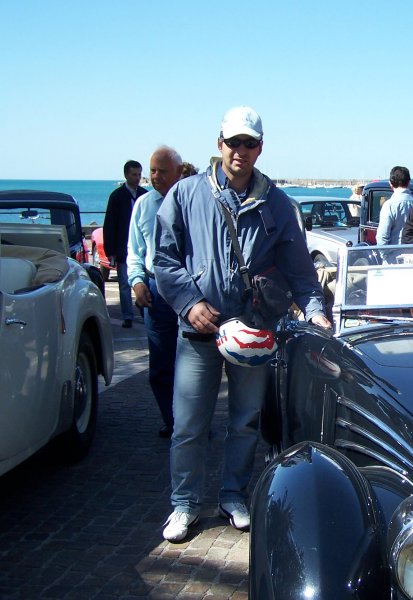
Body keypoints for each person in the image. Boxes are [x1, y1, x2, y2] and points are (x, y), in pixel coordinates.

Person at [154, 106, 332, 543]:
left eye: (249, 143)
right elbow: (164, 259)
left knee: (246, 420)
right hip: (199, 330)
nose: (240, 150)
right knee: (188, 423)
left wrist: (315, 311)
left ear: (260, 148)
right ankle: (184, 502)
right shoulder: (186, 194)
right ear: (219, 144)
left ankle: (233, 494)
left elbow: (298, 269)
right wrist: (189, 303)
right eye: (233, 142)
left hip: (254, 332)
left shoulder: (278, 203)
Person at [127, 146, 183, 439]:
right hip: (154, 291)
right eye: (152, 170)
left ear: (178, 172)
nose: (155, 176)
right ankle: (172, 421)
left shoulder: (191, 203)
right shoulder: (143, 205)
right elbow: (134, 250)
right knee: (161, 365)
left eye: (162, 171)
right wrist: (137, 282)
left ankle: (190, 423)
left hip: (187, 292)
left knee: (192, 364)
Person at [103, 160, 148, 327]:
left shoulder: (144, 195)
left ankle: (144, 313)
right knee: (124, 284)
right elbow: (110, 224)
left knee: (144, 282)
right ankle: (127, 316)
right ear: (126, 175)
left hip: (143, 248)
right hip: (123, 248)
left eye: (139, 174)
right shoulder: (117, 196)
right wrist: (111, 251)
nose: (137, 178)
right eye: (134, 174)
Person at [376, 166, 413, 246]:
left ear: (390, 184)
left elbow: (382, 237)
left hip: (394, 252)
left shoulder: (389, 206)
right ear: (409, 182)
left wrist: (383, 253)